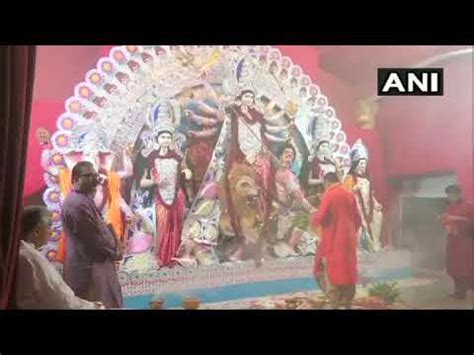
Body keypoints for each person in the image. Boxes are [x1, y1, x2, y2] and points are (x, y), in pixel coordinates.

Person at [61, 161, 124, 309]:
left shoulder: (83, 200)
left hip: (97, 264)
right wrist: (114, 251)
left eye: (95, 175)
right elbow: (92, 240)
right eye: (89, 176)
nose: (95, 179)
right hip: (89, 268)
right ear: (76, 179)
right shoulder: (77, 204)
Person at [16, 206, 104, 309]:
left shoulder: (22, 252)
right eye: (49, 226)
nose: (51, 231)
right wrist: (93, 307)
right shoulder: (30, 257)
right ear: (37, 232)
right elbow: (61, 301)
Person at [140, 127, 191, 268]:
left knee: (177, 225)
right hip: (160, 196)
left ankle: (175, 256)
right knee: (161, 226)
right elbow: (142, 182)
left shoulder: (177, 157)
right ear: (157, 139)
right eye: (163, 137)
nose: (166, 140)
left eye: (168, 137)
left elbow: (186, 170)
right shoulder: (151, 158)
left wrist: (187, 172)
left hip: (177, 195)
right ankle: (160, 257)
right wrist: (154, 182)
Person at [311, 172, 362, 309]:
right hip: (349, 239)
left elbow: (320, 217)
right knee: (348, 269)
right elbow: (358, 219)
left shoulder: (330, 194)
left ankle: (333, 302)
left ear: (327, 182)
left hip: (334, 239)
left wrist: (313, 218)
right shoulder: (349, 193)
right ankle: (347, 302)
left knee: (329, 268)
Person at [438, 185, 473, 300]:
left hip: (466, 242)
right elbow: (448, 224)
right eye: (449, 195)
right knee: (454, 268)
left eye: (453, 194)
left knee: (466, 269)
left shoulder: (469, 206)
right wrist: (445, 222)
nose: (451, 197)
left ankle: (466, 289)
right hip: (453, 242)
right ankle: (459, 292)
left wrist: (456, 218)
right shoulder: (449, 208)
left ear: (459, 194)